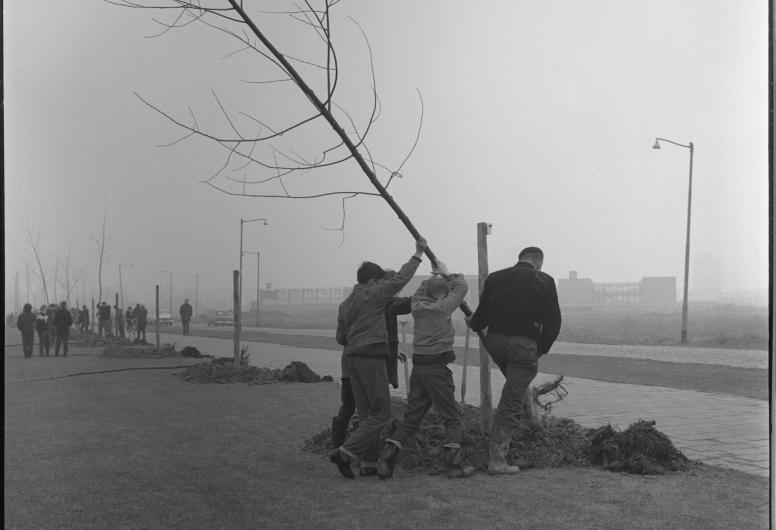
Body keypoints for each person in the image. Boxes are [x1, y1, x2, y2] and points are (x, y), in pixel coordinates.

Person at [328, 236, 428, 479]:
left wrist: (358, 335)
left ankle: (369, 463)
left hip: (352, 361)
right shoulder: (373, 294)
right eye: (381, 281)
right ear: (373, 281)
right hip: (371, 359)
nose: (384, 284)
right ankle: (346, 452)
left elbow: (341, 337)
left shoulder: (345, 304)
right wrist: (418, 254)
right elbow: (400, 279)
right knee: (382, 413)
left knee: (366, 414)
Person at [468, 246, 561, 475]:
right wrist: (541, 348)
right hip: (524, 346)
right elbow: (554, 321)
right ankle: (497, 460)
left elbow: (481, 317)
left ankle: (533, 422)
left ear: (520, 259)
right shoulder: (544, 280)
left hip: (496, 344)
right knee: (510, 400)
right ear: (539, 263)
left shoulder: (495, 278)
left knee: (516, 387)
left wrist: (473, 322)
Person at [377, 263, 473, 479]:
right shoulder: (442, 308)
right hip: (437, 370)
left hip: (419, 369)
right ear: (442, 295)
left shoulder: (416, 305)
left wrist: (433, 277)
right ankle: (454, 467)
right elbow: (462, 287)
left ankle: (386, 458)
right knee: (451, 417)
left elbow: (421, 291)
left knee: (411, 418)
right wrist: (447, 273)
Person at [329, 291, 411, 477]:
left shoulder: (350, 305)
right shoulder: (379, 303)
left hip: (351, 363)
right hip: (366, 365)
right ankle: (342, 452)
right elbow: (404, 305)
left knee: (359, 411)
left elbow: (342, 337)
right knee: (373, 413)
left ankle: (365, 462)